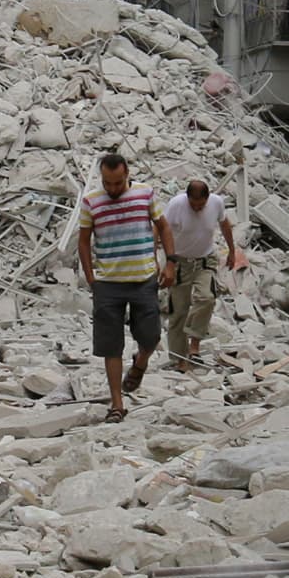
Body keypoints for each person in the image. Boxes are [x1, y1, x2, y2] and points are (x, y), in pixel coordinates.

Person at [76, 151, 171, 421]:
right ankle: (117, 404)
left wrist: (171, 262)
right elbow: (83, 240)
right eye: (108, 183)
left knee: (151, 336)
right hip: (107, 283)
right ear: (102, 178)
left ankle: (140, 363)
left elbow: (163, 227)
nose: (113, 189)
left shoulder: (145, 194)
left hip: (143, 279)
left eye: (118, 183)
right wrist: (91, 278)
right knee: (111, 345)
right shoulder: (91, 201)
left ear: (127, 174)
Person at [159, 176, 246, 366]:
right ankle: (180, 360)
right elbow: (161, 228)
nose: (197, 208)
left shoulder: (216, 202)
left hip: (205, 260)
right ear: (187, 198)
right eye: (194, 205)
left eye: (201, 205)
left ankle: (194, 345)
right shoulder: (176, 205)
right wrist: (166, 262)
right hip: (179, 262)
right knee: (178, 311)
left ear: (207, 199)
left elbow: (224, 224)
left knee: (207, 298)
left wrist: (232, 250)